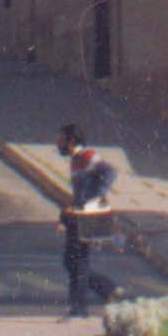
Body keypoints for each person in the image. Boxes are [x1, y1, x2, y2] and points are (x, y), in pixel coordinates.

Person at [55, 123, 119, 319]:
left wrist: (93, 196)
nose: (58, 143)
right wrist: (65, 217)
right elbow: (78, 193)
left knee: (79, 262)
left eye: (61, 139)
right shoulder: (75, 160)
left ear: (72, 141)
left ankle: (79, 308)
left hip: (87, 216)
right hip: (78, 215)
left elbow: (110, 172)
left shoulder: (87, 156)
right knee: (71, 261)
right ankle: (107, 290)